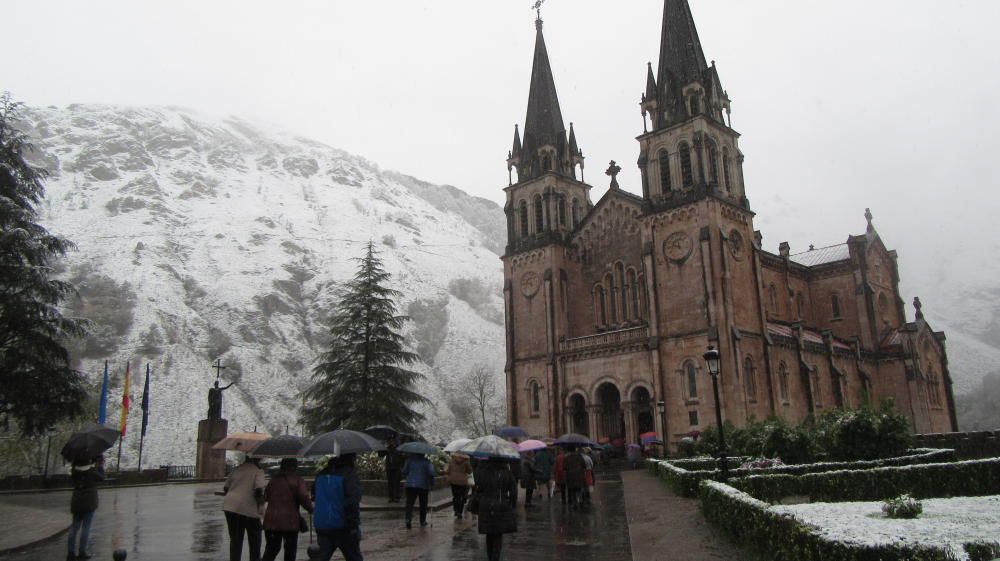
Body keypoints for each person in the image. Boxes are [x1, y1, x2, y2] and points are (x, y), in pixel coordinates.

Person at [313, 454, 363, 561]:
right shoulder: (349, 475)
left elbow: (314, 495)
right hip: (343, 526)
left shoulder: (321, 474)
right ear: (352, 459)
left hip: (322, 524)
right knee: (354, 557)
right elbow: (353, 501)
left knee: (321, 557)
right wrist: (353, 525)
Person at [262, 458, 313, 561]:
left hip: (272, 520)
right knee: (290, 551)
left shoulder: (273, 480)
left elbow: (266, 497)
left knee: (271, 549)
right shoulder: (297, 480)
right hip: (290, 521)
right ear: (294, 467)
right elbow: (303, 496)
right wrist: (310, 509)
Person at [472, 457, 517, 561]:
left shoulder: (481, 472)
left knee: (489, 533)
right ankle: (495, 558)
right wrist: (512, 505)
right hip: (501, 505)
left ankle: (490, 557)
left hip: (486, 505)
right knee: (498, 534)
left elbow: (477, 487)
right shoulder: (507, 473)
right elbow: (514, 492)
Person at [224, 456, 266, 561]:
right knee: (255, 539)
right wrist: (261, 503)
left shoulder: (237, 469)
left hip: (230, 507)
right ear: (257, 459)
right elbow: (259, 489)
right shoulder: (258, 471)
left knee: (235, 540)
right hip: (248, 509)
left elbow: (226, 488)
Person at [67, 455, 105, 560]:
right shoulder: (91, 472)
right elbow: (102, 477)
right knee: (86, 527)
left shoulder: (75, 471)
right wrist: (100, 465)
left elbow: (72, 479)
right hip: (89, 501)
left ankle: (70, 553)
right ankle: (82, 552)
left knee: (74, 527)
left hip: (76, 500)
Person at [401, 452, 436, 529]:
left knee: (409, 503)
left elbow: (404, 471)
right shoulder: (427, 462)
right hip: (423, 485)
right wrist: (432, 484)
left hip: (410, 484)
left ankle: (408, 519)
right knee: (423, 503)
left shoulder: (409, 460)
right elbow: (431, 473)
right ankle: (422, 521)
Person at [444, 453, 473, 518]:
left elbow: (447, 471)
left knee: (455, 496)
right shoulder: (466, 461)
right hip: (463, 482)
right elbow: (470, 471)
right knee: (462, 497)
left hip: (453, 481)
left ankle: (456, 510)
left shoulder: (452, 460)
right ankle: (460, 512)